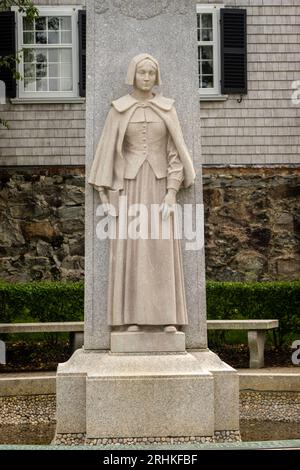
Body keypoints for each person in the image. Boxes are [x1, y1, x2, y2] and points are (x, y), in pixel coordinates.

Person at [88, 53, 195, 332]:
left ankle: (167, 318)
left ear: (156, 76)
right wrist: (107, 195)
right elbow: (109, 153)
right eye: (141, 73)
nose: (146, 78)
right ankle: (131, 318)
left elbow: (175, 154)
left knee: (161, 250)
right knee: (131, 251)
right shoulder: (119, 110)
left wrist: (172, 192)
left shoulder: (167, 109)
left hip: (160, 188)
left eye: (150, 73)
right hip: (129, 188)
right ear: (132, 75)